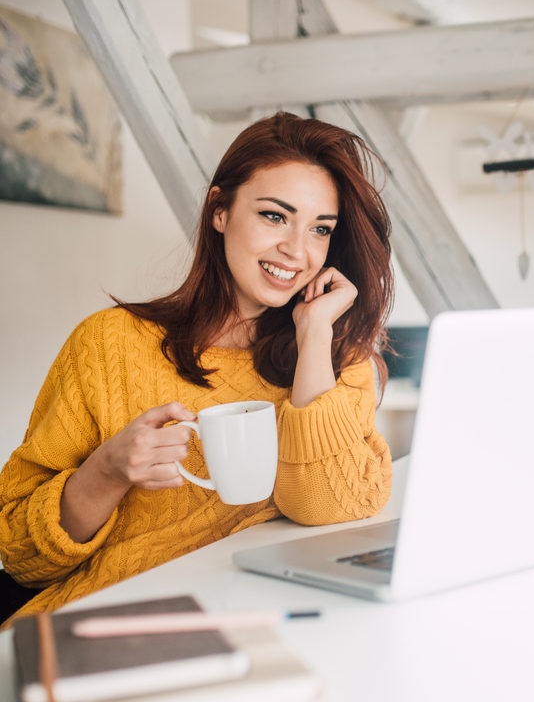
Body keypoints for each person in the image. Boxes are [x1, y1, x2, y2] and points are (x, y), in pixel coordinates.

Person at [0, 112, 394, 626]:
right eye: (275, 216)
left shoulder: (335, 353)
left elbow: (326, 504)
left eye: (320, 229)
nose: (297, 251)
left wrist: (314, 334)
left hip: (260, 624)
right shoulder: (107, 344)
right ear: (219, 211)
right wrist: (107, 470)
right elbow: (19, 553)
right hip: (109, 626)